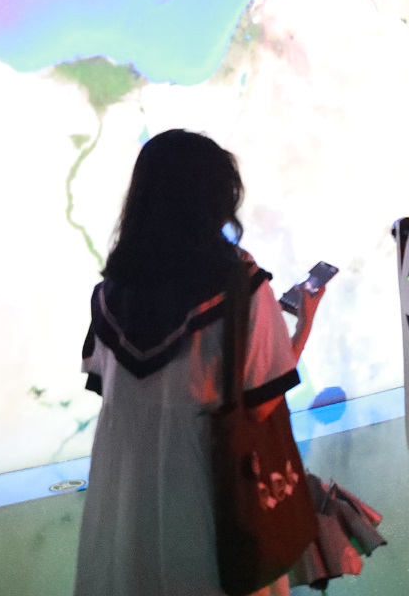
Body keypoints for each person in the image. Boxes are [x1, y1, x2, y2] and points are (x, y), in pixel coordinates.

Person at [75, 129, 324, 596]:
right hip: (215, 505)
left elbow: (116, 393)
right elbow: (261, 406)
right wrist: (302, 326)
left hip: (126, 507)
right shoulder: (242, 286)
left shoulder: (108, 297)